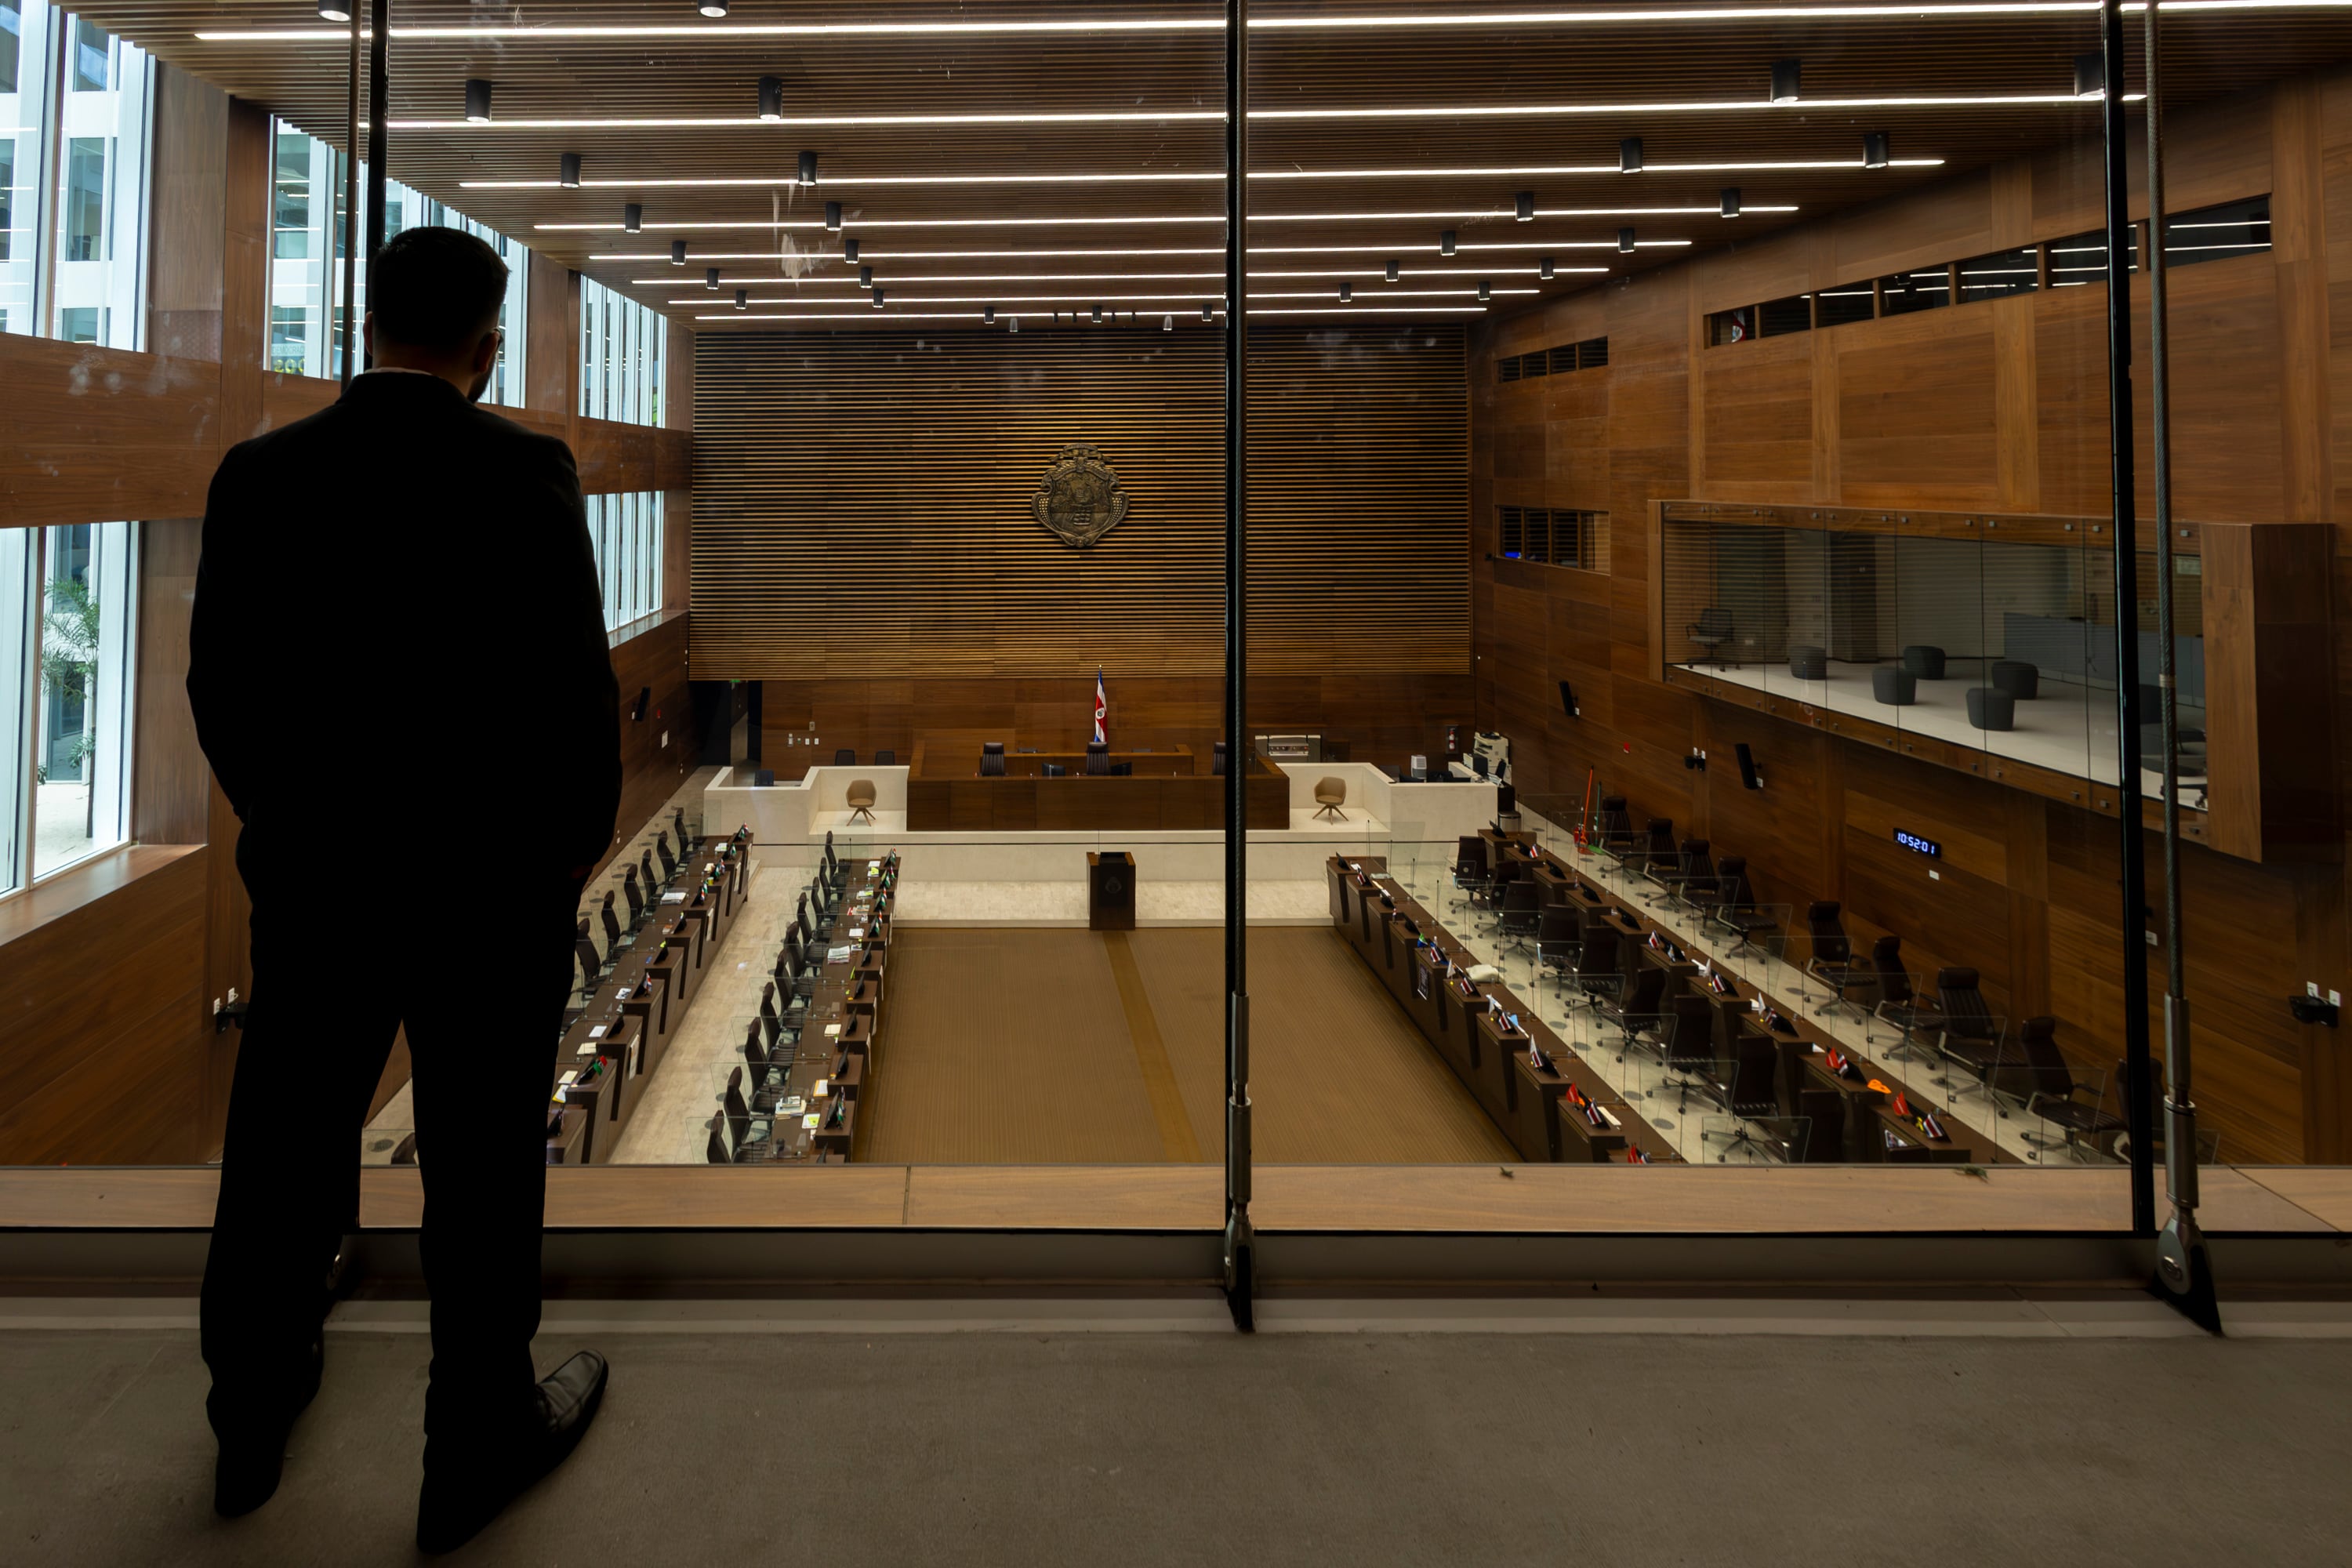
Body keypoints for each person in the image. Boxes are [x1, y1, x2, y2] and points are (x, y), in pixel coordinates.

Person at [187, 225, 622, 1553]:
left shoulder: (260, 474)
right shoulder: (524, 472)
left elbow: (220, 685)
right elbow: (574, 690)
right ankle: (470, 1445)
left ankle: (248, 1427)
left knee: (283, 1149)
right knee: (483, 1171)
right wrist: (567, 848)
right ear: (488, 345)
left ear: (364, 327)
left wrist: (288, 819)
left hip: (320, 884)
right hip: (491, 893)